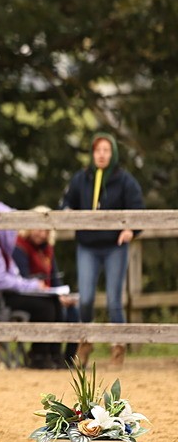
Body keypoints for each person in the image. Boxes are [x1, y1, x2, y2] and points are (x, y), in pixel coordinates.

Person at [60, 133, 144, 370]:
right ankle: (86, 340)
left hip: (114, 247)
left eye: (106, 150)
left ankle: (118, 347)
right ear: (92, 153)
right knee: (85, 298)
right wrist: (66, 211)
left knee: (113, 300)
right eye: (98, 150)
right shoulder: (82, 178)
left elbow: (138, 209)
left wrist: (131, 230)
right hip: (87, 245)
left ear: (113, 153)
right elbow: (67, 201)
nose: (101, 154)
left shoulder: (124, 180)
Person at [0, 202, 65, 369]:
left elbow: (12, 274)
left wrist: (28, 285)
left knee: (53, 302)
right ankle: (39, 356)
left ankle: (53, 355)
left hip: (5, 294)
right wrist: (30, 286)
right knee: (44, 306)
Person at [13, 206, 80, 361]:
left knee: (73, 310)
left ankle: (66, 359)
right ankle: (41, 354)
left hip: (47, 293)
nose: (42, 234)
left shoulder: (47, 249)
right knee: (51, 306)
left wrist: (62, 293)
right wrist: (53, 293)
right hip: (27, 294)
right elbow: (23, 278)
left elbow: (55, 278)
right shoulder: (19, 247)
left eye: (46, 231)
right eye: (39, 229)